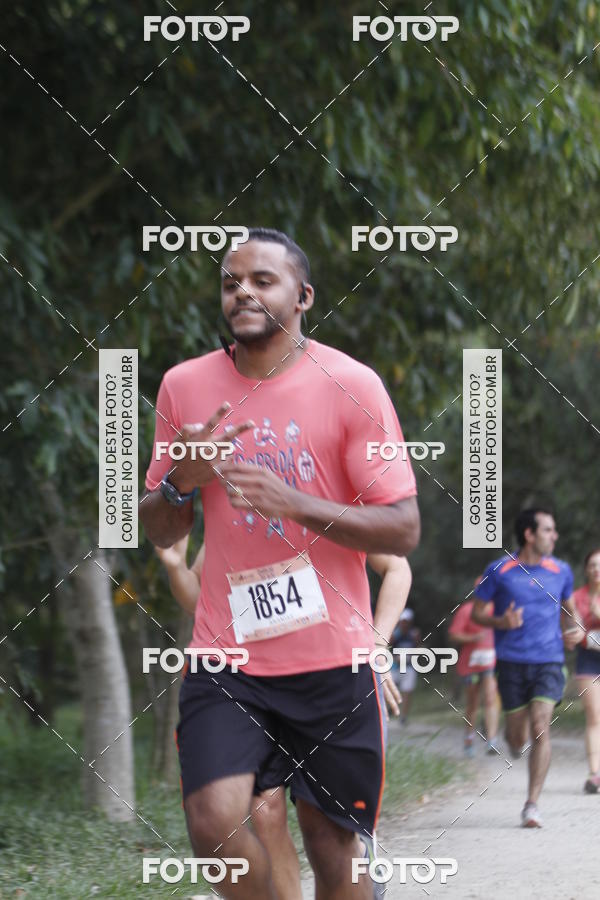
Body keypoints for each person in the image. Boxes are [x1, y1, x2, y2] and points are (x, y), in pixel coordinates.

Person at [140, 227, 420, 899]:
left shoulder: (352, 385)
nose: (242, 292)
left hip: (333, 662)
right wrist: (183, 478)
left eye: (262, 280)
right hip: (228, 659)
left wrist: (297, 502)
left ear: (303, 296)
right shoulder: (184, 387)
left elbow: (404, 529)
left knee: (331, 845)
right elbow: (157, 525)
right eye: (231, 281)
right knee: (214, 821)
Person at [156, 538, 412, 899]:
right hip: (256, 685)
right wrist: (174, 569)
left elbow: (397, 568)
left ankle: (356, 850)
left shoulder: (327, 499)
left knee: (324, 828)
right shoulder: (232, 514)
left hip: (332, 683)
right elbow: (203, 602)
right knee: (264, 810)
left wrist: (377, 645)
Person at [471, 507, 583, 828]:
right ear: (529, 535)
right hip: (511, 664)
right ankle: (514, 743)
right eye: (548, 530)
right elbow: (478, 614)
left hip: (549, 660)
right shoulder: (500, 570)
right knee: (517, 736)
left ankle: (532, 804)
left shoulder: (560, 570)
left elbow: (570, 610)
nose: (555, 536)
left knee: (540, 727)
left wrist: (573, 631)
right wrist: (500, 621)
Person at [448, 588, 499, 757]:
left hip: (491, 662)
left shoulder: (497, 610)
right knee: (473, 703)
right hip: (469, 665)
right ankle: (469, 738)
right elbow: (454, 635)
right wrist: (473, 638)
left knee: (490, 698)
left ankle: (491, 740)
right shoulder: (466, 610)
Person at [571, 548, 600, 794]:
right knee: (594, 717)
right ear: (586, 570)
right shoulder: (577, 597)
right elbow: (575, 631)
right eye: (592, 565)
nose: (597, 569)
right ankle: (594, 774)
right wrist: (577, 634)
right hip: (588, 660)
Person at [389, 609, 420, 724]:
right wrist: (394, 657)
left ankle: (404, 716)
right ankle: (391, 708)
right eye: (402, 621)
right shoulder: (394, 634)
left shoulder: (414, 634)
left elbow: (417, 648)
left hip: (409, 667)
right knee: (391, 689)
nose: (404, 623)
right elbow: (386, 648)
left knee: (408, 691)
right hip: (395, 667)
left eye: (406, 621)